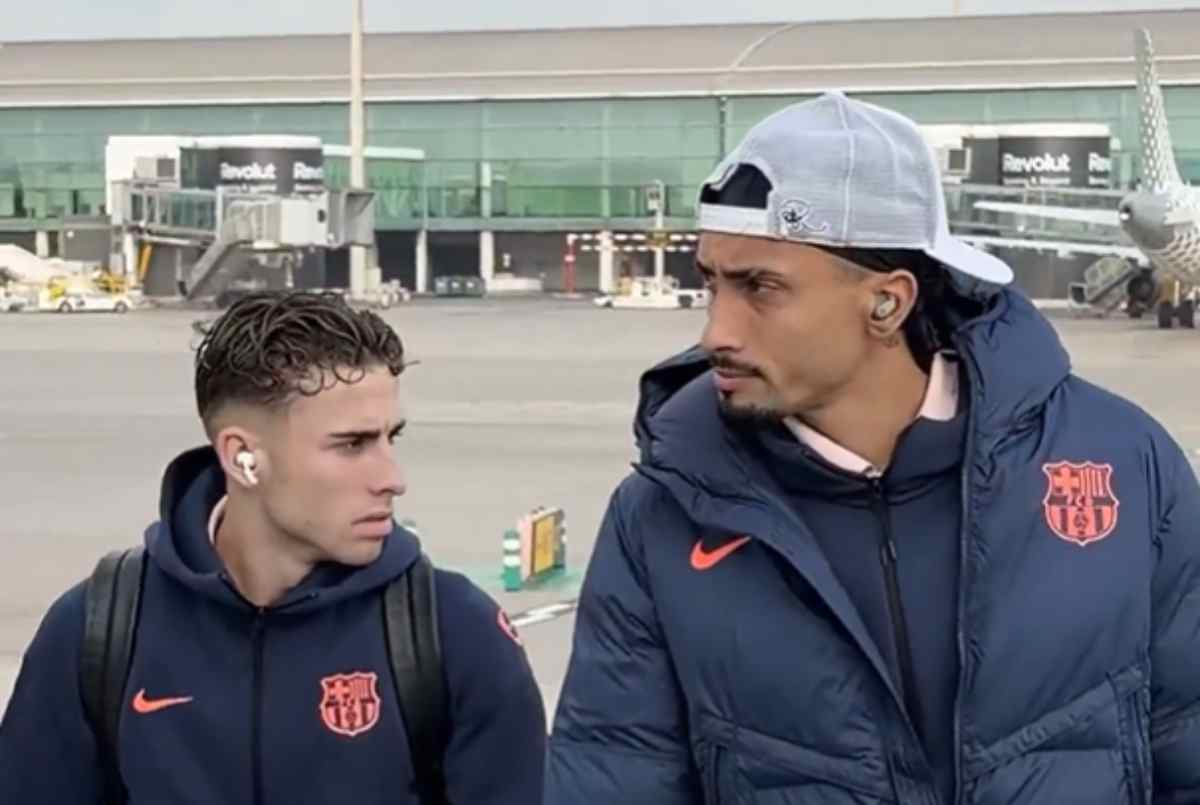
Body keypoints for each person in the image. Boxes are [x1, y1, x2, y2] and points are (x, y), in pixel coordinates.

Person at [545, 92, 1200, 804]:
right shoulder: (661, 517)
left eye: (759, 287)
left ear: (888, 302)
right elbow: (612, 776)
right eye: (712, 283)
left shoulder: (1124, 468)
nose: (715, 332)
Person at [0, 291, 546, 804]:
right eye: (353, 444)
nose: (392, 478)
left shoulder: (456, 635)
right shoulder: (98, 631)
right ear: (242, 458)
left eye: (390, 438)